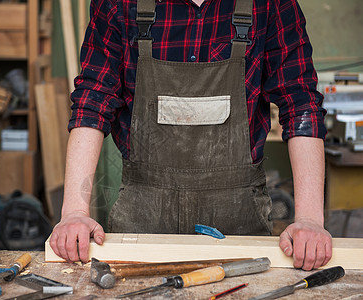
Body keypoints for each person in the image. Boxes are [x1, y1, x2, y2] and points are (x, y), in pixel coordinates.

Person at [50, 0, 332, 271]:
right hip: (144, 215)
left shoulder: (270, 4)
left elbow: (300, 104)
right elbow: (92, 101)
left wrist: (309, 219)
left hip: (238, 216)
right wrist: (74, 212)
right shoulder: (120, 3)